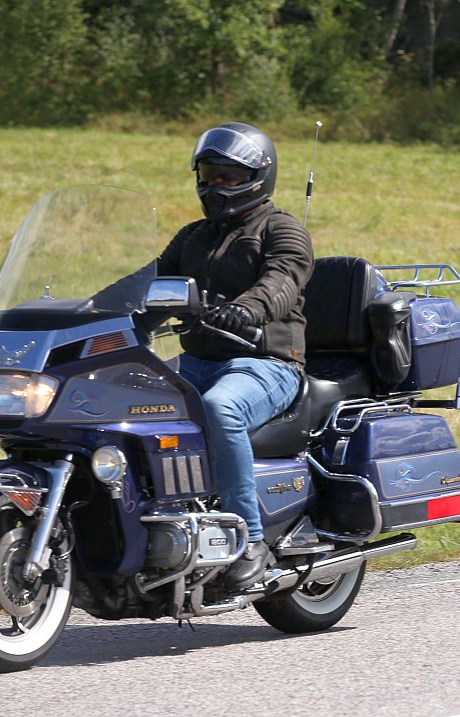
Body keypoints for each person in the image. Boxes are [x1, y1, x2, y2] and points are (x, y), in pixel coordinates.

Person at [157, 122, 314, 589]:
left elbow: (283, 280)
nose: (216, 185)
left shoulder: (283, 229)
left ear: (257, 177)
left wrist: (247, 310)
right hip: (197, 363)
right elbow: (148, 285)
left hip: (266, 364)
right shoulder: (192, 237)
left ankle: (248, 542)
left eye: (229, 176)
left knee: (219, 408)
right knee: (119, 397)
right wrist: (90, 312)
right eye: (209, 173)